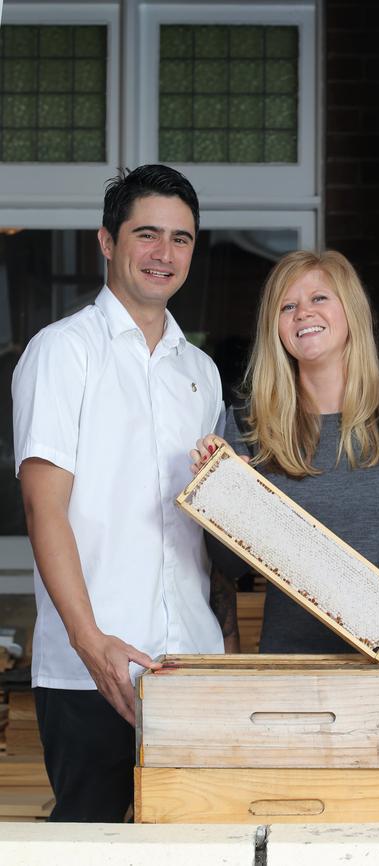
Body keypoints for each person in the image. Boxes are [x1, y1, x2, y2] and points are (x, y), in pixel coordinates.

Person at [12, 165, 226, 822]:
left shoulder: (202, 372)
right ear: (107, 241)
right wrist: (89, 640)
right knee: (90, 844)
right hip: (91, 669)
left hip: (190, 663)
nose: (165, 254)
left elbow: (206, 533)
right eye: (148, 235)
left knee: (198, 851)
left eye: (182, 239)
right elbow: (43, 507)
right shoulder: (63, 352)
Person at [192, 250, 379, 654]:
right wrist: (224, 495)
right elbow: (231, 566)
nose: (303, 313)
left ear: (351, 310)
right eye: (287, 306)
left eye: (319, 298)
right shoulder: (249, 424)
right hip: (290, 660)